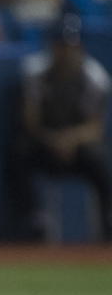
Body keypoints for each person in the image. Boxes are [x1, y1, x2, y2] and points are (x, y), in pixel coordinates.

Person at [7, 14, 112, 241]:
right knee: (19, 153)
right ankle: (34, 219)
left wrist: (69, 140)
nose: (65, 51)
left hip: (79, 147)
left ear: (80, 48)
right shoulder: (35, 71)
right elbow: (30, 120)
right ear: (52, 46)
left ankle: (107, 221)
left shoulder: (95, 77)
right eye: (60, 45)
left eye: (70, 46)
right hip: (45, 142)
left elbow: (95, 127)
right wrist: (54, 140)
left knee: (100, 159)